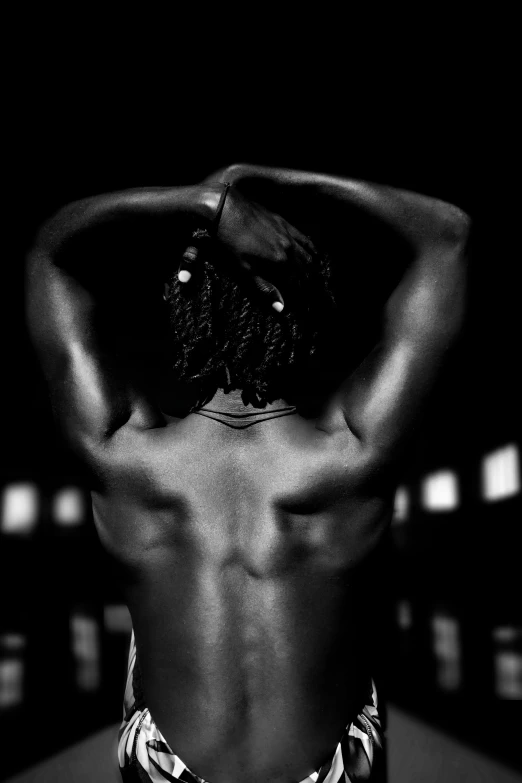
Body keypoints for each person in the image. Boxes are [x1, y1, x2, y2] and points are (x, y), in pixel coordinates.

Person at [26, 163, 470, 783]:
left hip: (168, 770)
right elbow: (447, 233)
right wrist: (268, 180)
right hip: (329, 773)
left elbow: (50, 251)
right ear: (302, 321)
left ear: (186, 313)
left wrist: (204, 202)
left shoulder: (121, 450)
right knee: (361, 669)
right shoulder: (352, 450)